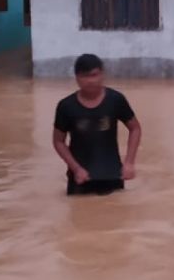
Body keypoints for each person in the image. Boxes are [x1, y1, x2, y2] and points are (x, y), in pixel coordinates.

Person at [52, 54, 142, 196]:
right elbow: (58, 141)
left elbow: (135, 128)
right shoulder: (66, 106)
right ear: (76, 78)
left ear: (102, 74)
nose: (90, 81)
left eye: (94, 75)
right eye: (84, 76)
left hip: (112, 176)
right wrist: (76, 168)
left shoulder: (116, 100)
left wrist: (129, 162)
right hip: (80, 179)